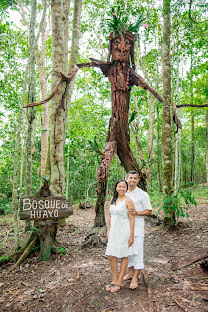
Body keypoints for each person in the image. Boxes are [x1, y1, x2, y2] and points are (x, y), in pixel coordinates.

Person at [105, 179, 138, 293]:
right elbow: (109, 216)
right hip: (114, 231)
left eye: (124, 187)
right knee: (111, 255)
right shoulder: (113, 200)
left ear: (126, 188)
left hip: (124, 231)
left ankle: (120, 280)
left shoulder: (128, 201)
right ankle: (114, 278)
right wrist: (108, 230)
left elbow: (132, 219)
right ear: (116, 188)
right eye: (120, 186)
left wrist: (132, 235)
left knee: (124, 255)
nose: (122, 189)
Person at [124, 170, 152, 289]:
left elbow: (149, 211)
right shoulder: (123, 193)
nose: (132, 180)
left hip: (138, 228)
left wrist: (137, 213)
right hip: (124, 228)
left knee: (138, 252)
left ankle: (136, 277)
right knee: (127, 252)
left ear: (138, 180)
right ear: (127, 179)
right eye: (130, 178)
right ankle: (130, 272)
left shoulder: (142, 194)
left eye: (135, 178)